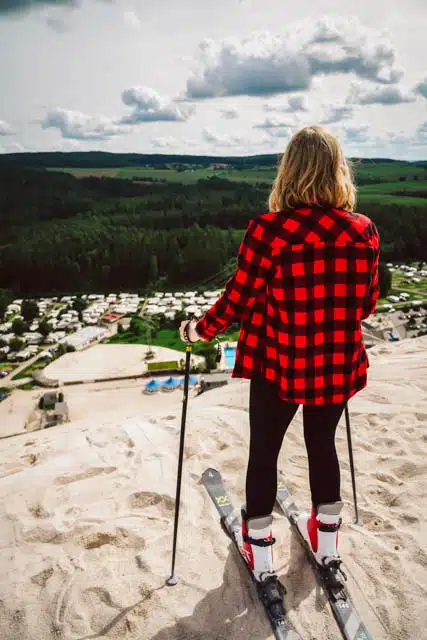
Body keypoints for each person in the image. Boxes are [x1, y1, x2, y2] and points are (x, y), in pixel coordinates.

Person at [179, 125, 380, 583]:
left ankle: (262, 552)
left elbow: (238, 300)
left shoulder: (270, 230)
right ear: (337, 169)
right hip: (334, 361)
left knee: (264, 452)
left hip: (280, 363)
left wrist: (198, 331)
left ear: (288, 171)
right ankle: (328, 545)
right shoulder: (363, 230)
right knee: (322, 446)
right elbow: (366, 304)